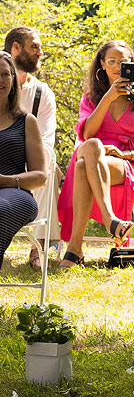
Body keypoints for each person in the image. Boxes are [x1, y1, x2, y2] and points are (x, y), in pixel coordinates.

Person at [56, 40, 134, 268]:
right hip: (90, 151)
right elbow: (86, 133)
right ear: (102, 65)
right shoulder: (91, 98)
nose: (117, 66)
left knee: (84, 166)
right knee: (93, 146)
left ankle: (74, 250)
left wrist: (124, 154)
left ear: (131, 65)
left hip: (122, 163)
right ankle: (109, 219)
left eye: (124, 62)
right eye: (112, 61)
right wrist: (108, 98)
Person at [4, 27, 59, 268]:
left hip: (27, 161)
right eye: (34, 46)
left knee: (49, 163)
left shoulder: (41, 93)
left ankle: (40, 245)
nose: (40, 52)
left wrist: (24, 172)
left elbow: (46, 139)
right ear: (16, 48)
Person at [0, 51, 48, 267]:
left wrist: (6, 180)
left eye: (5, 74)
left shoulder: (27, 121)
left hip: (16, 193)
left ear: (13, 80)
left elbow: (40, 176)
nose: (0, 80)